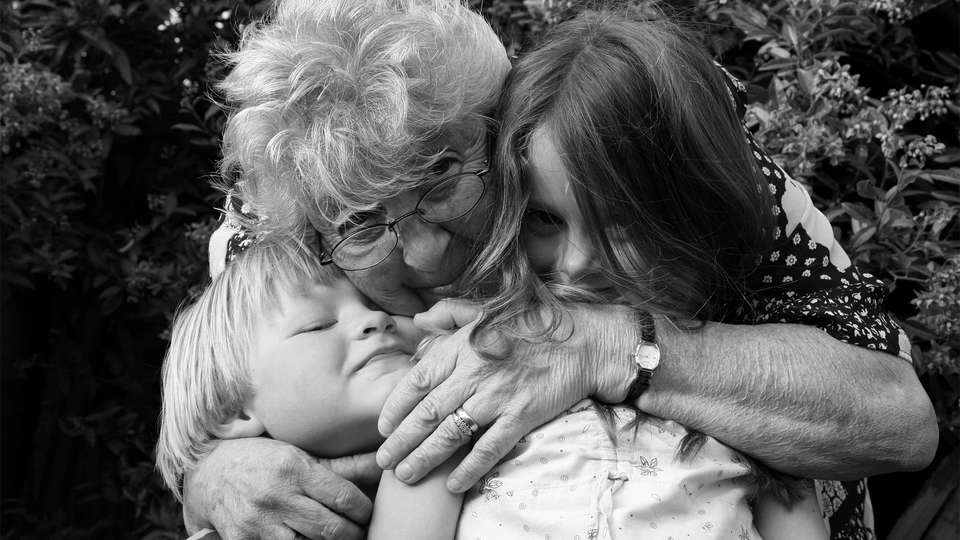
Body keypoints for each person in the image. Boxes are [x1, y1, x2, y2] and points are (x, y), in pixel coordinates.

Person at [186, 0, 937, 538]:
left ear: (503, 119)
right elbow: (220, 392)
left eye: (440, 180)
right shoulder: (278, 239)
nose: (423, 254)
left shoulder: (646, 144)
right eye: (360, 225)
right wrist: (213, 470)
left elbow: (899, 423)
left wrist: (607, 345)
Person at [159, 237, 827, 540]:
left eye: (378, 306)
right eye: (316, 325)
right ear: (231, 412)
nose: (374, 319)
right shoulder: (431, 447)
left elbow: (782, 486)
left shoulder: (468, 398)